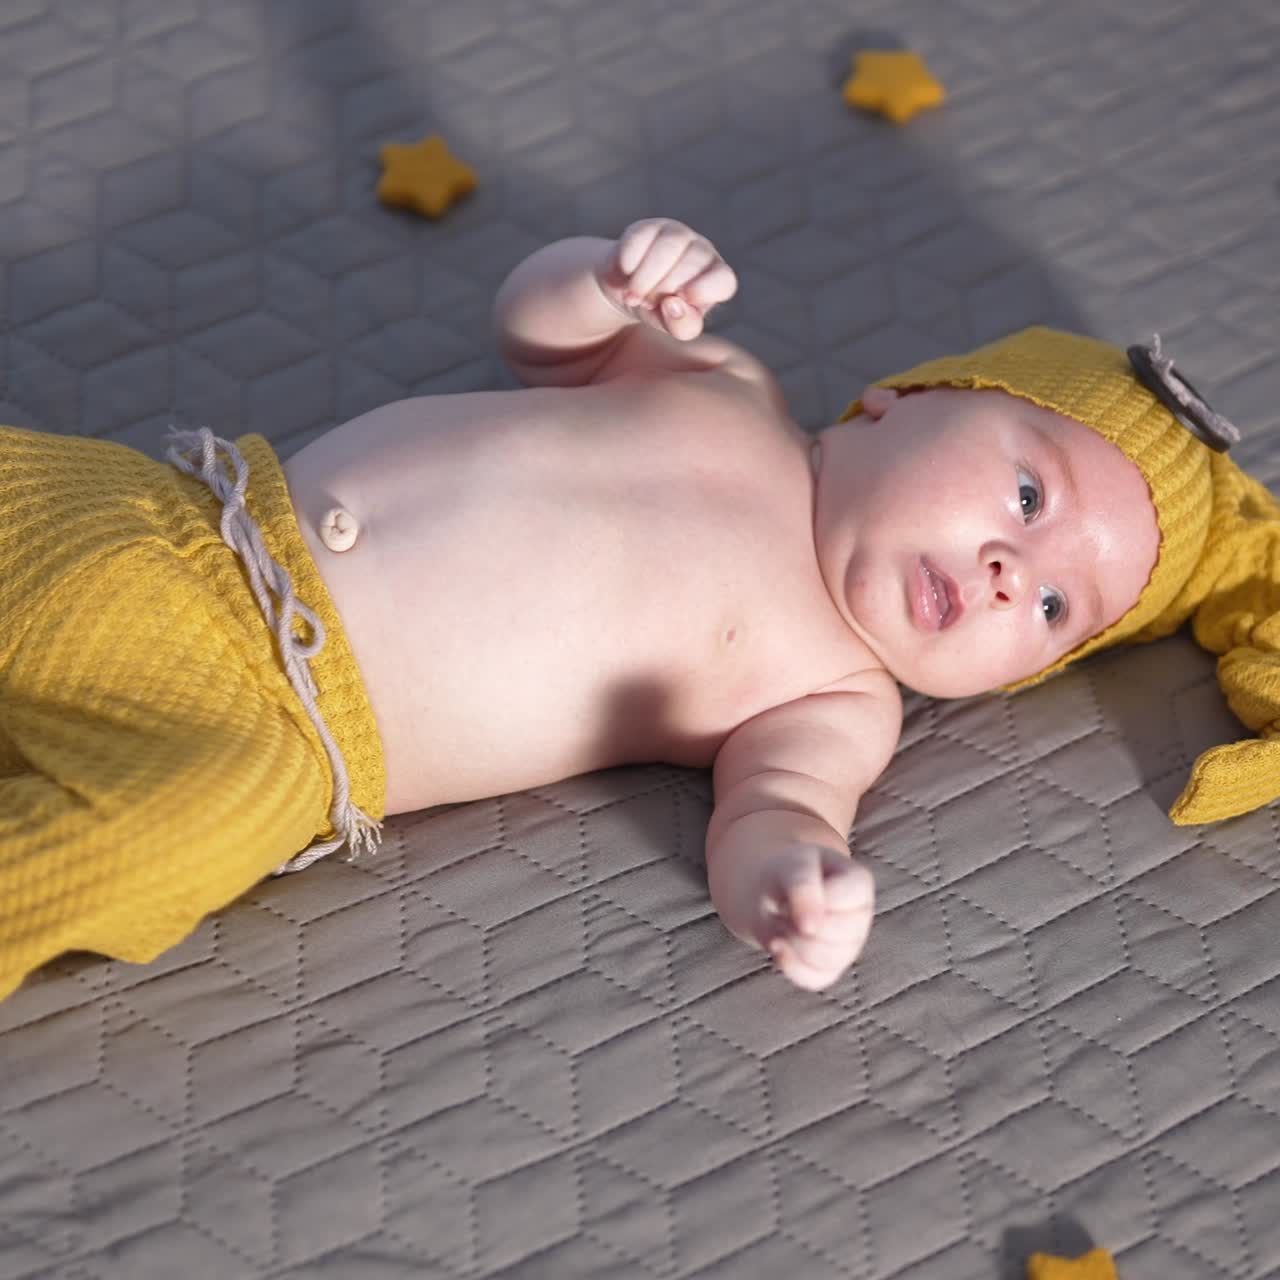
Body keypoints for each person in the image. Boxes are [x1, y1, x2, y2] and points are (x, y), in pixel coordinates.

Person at [1, 219, 1277, 1000]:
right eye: (1023, 490)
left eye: (1058, 605)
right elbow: (537, 335)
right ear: (898, 398)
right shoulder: (723, 383)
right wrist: (607, 280)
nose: (1012, 568)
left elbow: (771, 809)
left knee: (144, 852)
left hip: (278, 735)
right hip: (185, 524)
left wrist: (788, 881)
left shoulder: (834, 694)